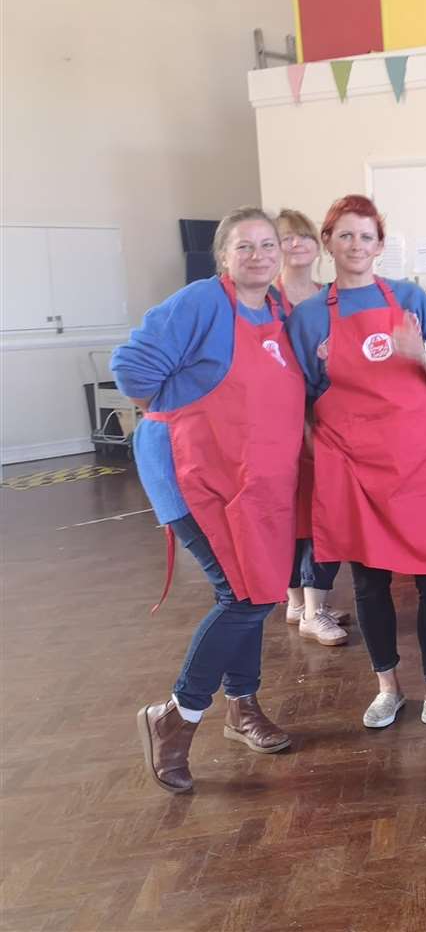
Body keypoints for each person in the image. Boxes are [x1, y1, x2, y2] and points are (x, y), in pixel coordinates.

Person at [114, 209, 302, 792]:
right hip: (191, 476)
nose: (258, 255)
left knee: (260, 591)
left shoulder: (279, 312)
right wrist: (177, 416)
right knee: (242, 596)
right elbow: (130, 369)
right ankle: (178, 716)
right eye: (244, 246)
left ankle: (242, 708)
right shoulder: (201, 302)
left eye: (267, 244)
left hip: (252, 484)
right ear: (223, 255)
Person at [288, 195, 426, 737]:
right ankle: (388, 690)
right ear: (328, 241)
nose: (356, 246)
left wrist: (418, 352)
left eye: (366, 236)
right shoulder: (308, 318)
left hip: (420, 461)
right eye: (345, 235)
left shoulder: (410, 300)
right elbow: (297, 397)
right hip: (353, 464)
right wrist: (315, 446)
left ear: (380, 244)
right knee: (370, 583)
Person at [273, 208, 347, 645]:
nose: (297, 245)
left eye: (304, 237)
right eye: (287, 239)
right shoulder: (267, 297)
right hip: (285, 422)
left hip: (327, 418)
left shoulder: (328, 296)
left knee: (319, 513)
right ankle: (300, 603)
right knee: (293, 515)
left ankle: (310, 603)